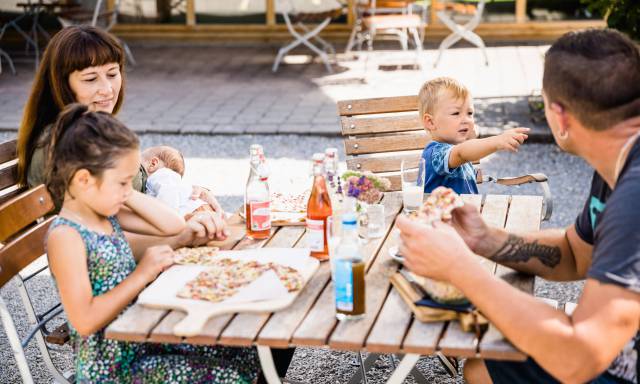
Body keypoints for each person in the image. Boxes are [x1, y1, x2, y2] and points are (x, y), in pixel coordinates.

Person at [398, 28, 640, 383]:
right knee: (481, 368)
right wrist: (486, 240)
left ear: (558, 116)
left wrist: (459, 267)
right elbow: (575, 253)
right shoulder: (617, 165)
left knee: (484, 365)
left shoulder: (633, 195)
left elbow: (579, 357)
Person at [45, 103, 260, 383]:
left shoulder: (106, 212)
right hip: (113, 366)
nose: (128, 190)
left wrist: (125, 191)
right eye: (122, 183)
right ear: (84, 179)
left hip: (140, 338)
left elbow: (173, 224)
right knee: (228, 376)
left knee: (245, 350)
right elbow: (84, 320)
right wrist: (143, 273)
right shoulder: (66, 236)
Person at [14, 25, 226, 248]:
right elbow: (112, 241)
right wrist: (185, 235)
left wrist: (189, 193)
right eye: (90, 79)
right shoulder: (67, 146)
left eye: (113, 74)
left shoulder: (89, 129)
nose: (107, 89)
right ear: (61, 83)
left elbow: (135, 196)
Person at [418, 77, 529, 194]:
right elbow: (461, 153)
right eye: (456, 113)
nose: (466, 120)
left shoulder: (459, 148)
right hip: (440, 211)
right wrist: (497, 141)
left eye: (469, 113)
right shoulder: (436, 153)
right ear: (431, 122)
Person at [141, 145, 214, 220]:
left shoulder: (163, 175)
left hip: (196, 212)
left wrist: (164, 220)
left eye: (139, 164)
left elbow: (168, 194)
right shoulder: (168, 179)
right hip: (194, 213)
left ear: (153, 164)